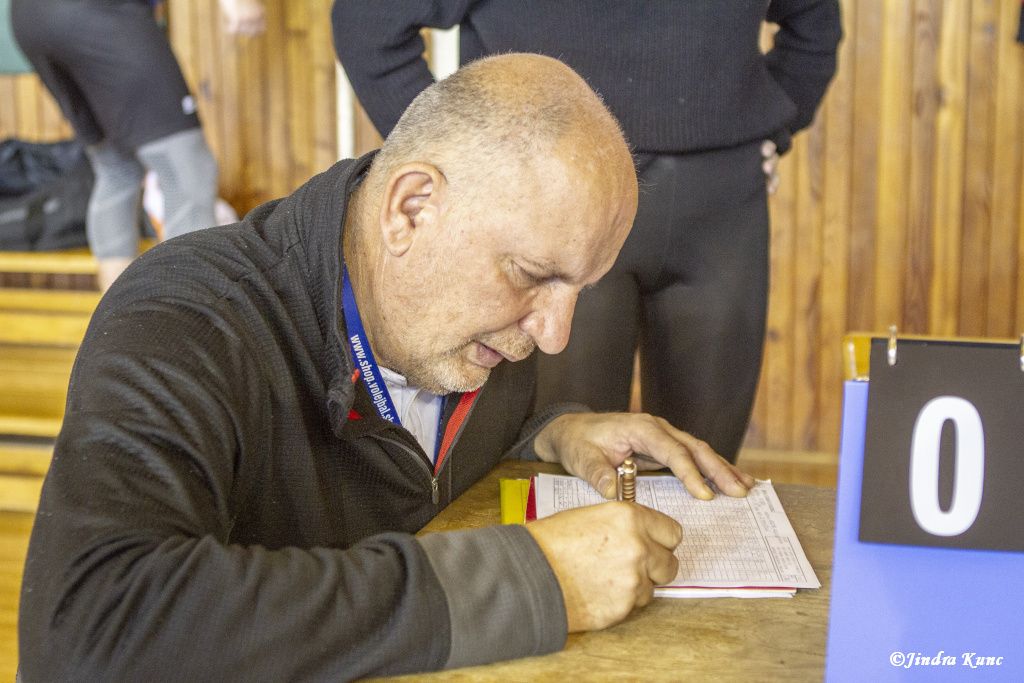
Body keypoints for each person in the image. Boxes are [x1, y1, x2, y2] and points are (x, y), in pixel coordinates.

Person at [18, 54, 755, 680]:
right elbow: (91, 626)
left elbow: (413, 451)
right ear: (410, 208)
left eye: (578, 291)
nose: (555, 336)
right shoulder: (187, 317)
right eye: (532, 275)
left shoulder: (468, 329)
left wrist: (552, 433)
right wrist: (536, 579)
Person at [332, 0, 843, 462]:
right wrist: (465, 160)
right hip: (549, 211)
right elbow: (369, 22)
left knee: (704, 469)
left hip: (719, 206)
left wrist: (777, 123)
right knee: (557, 463)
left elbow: (814, 25)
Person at [10, 0, 266, 291]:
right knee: (188, 170)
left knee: (117, 168)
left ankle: (118, 316)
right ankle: (186, 311)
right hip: (97, 12)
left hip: (30, 16)